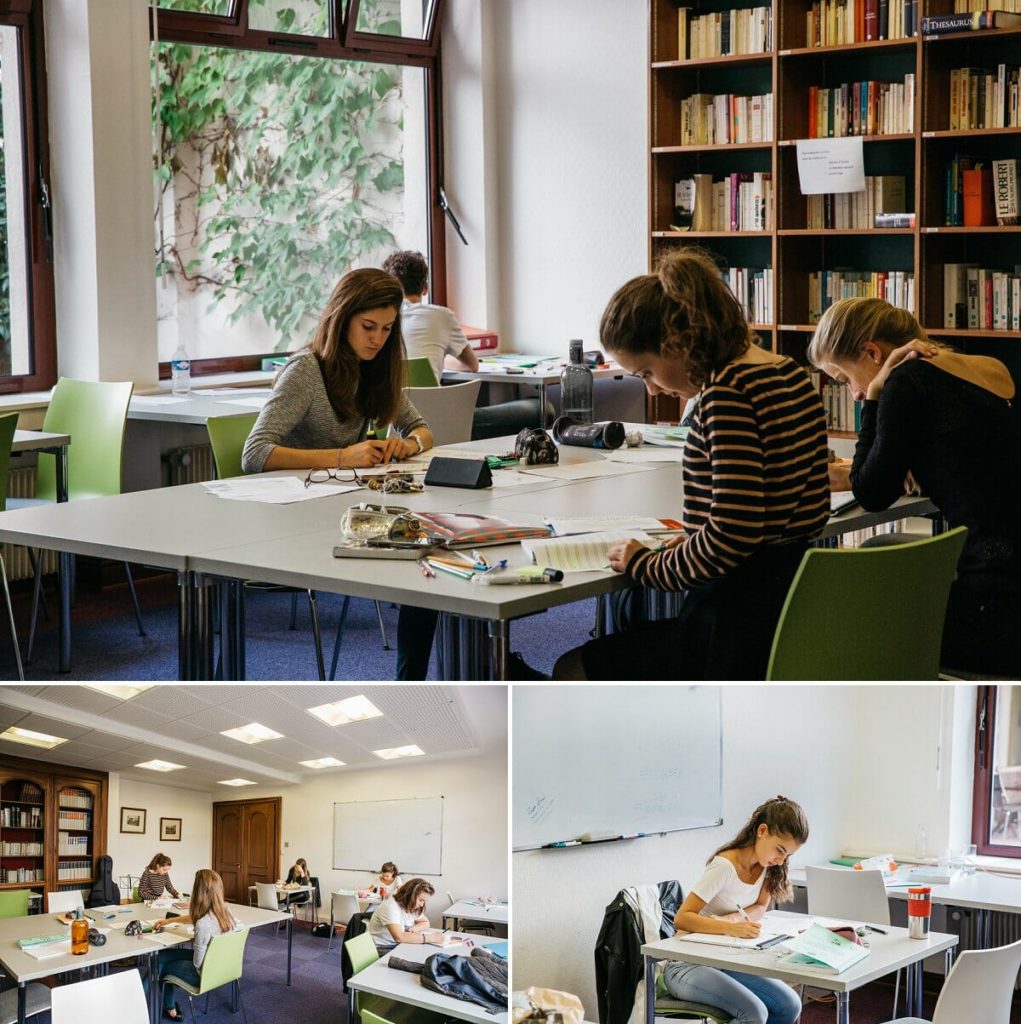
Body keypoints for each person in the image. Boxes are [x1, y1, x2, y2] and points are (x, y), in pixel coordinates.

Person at [554, 248, 830, 680]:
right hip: (787, 609)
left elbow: (732, 535)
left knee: (572, 666)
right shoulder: (788, 372)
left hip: (733, 625)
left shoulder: (727, 394)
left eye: (646, 371)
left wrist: (646, 564)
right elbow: (813, 506)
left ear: (676, 342)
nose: (653, 388)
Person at [241, 267, 438, 679]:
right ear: (341, 317)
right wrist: (343, 457)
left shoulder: (376, 367)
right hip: (293, 520)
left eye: (386, 329)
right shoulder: (306, 371)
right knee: (424, 561)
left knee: (430, 557)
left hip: (345, 511)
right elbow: (254, 453)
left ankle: (411, 680)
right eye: (368, 326)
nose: (377, 339)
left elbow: (421, 429)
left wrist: (410, 444)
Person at [808, 297, 1021, 677]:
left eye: (843, 379)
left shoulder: (904, 383)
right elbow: (971, 457)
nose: (852, 393)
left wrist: (874, 396)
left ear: (872, 352)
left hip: (995, 609)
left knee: (851, 618)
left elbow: (870, 494)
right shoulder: (991, 366)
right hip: (1007, 584)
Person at [663, 796, 809, 1024]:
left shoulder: (768, 867)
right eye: (779, 850)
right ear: (762, 831)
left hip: (725, 960)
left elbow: (761, 906)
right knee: (754, 1013)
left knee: (789, 1005)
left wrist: (733, 920)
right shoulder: (725, 866)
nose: (780, 861)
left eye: (787, 855)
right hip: (687, 964)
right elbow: (682, 919)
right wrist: (730, 928)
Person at [382, 249, 553, 439]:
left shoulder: (382, 320)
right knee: (542, 408)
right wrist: (441, 358)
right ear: (425, 288)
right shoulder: (442, 316)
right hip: (435, 423)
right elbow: (472, 364)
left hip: (387, 427)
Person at [152, 868, 241, 1021]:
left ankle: (164, 1005)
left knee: (162, 967)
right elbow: (195, 917)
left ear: (199, 892)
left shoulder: (203, 924)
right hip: (224, 967)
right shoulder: (226, 911)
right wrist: (169, 920)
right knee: (162, 956)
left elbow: (198, 963)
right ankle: (154, 998)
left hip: (205, 973)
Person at [367, 877, 446, 952]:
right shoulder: (390, 906)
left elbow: (425, 922)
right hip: (383, 948)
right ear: (409, 895)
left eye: (424, 901)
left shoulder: (410, 906)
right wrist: (431, 938)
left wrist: (413, 929)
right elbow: (399, 937)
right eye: (421, 900)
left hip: (398, 945)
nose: (422, 905)